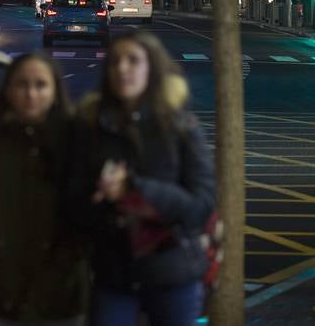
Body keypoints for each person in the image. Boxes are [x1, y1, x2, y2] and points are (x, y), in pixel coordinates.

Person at [71, 29, 215, 326]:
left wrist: (136, 189)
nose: (122, 69)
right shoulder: (91, 127)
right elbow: (72, 203)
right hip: (113, 274)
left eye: (133, 61)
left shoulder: (180, 127)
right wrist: (99, 198)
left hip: (172, 271)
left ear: (152, 68)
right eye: (115, 62)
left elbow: (200, 206)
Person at [0, 52, 87, 326]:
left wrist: (63, 270)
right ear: (8, 89)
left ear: (55, 90)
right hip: (0, 294)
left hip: (60, 297)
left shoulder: (75, 141)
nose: (31, 94)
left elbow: (84, 216)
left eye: (40, 85)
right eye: (22, 84)